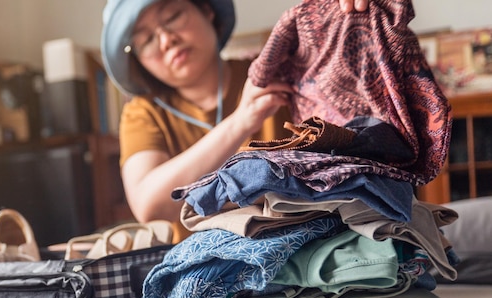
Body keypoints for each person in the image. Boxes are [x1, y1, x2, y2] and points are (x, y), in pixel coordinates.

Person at [101, 0, 369, 242]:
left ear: (206, 10)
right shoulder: (143, 113)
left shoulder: (273, 73)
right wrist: (241, 121)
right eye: (146, 40)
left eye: (173, 16)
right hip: (210, 262)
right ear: (138, 59)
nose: (165, 40)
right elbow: (150, 206)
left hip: (311, 241)